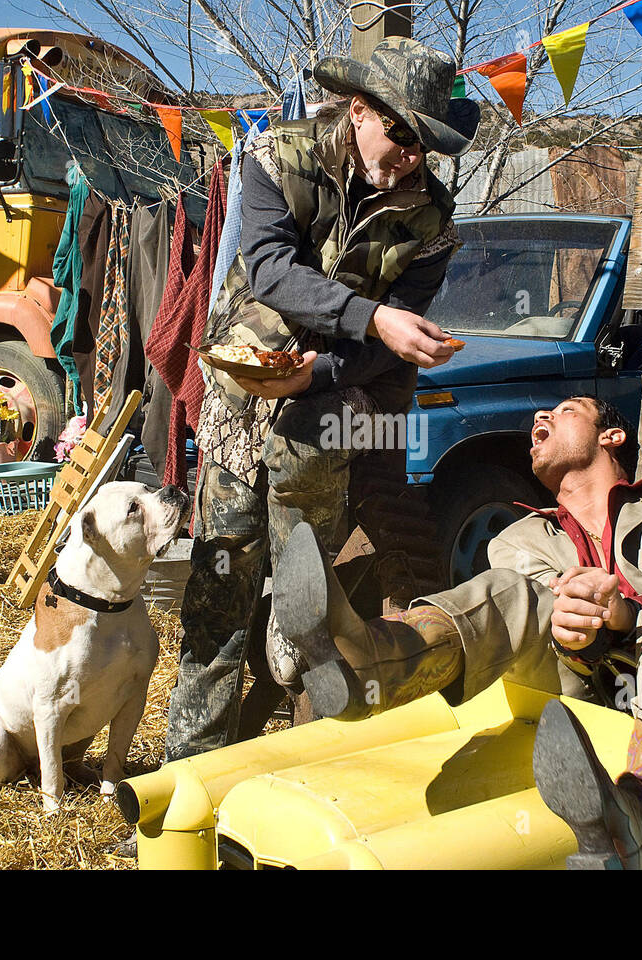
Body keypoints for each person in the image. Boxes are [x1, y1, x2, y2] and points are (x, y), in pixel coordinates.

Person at [271, 396, 642, 869]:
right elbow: (537, 629)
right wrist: (571, 630)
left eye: (564, 410)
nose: (541, 415)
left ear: (612, 435)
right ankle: (371, 661)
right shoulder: (518, 541)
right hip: (591, 715)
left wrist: (628, 612)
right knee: (511, 592)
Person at [165, 38, 480, 761]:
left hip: (332, 414)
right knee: (219, 595)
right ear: (361, 110)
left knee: (315, 618)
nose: (411, 155)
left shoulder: (433, 223)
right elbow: (270, 270)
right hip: (242, 409)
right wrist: (373, 317)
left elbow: (389, 349)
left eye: (427, 144)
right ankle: (188, 781)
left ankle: (314, 781)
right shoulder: (277, 158)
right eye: (403, 133)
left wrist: (326, 369)